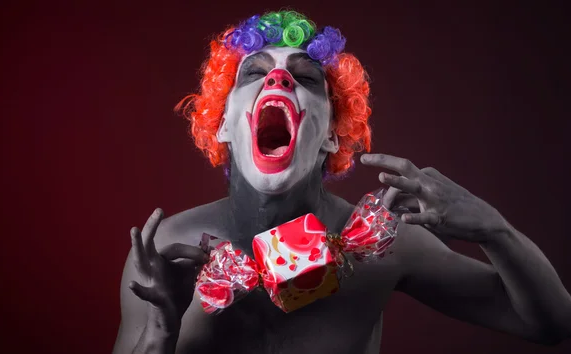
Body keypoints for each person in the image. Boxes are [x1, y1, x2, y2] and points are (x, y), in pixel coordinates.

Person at [112, 11, 571, 354]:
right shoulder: (165, 253)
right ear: (224, 124)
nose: (278, 78)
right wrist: (161, 328)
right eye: (254, 73)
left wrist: (496, 232)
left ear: (333, 132)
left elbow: (553, 324)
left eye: (305, 77)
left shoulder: (386, 242)